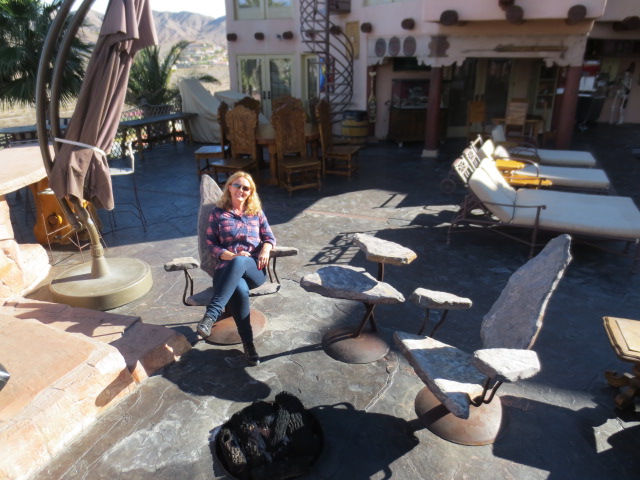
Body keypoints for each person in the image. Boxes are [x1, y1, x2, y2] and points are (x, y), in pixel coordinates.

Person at [197, 172, 275, 366]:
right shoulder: (218, 213)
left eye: (246, 188)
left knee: (241, 262)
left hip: (254, 269)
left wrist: (266, 248)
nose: (241, 190)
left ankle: (211, 314)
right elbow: (211, 244)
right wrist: (231, 256)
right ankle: (249, 346)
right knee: (238, 288)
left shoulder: (255, 212)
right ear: (230, 187)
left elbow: (270, 237)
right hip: (225, 270)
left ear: (250, 193)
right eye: (237, 185)